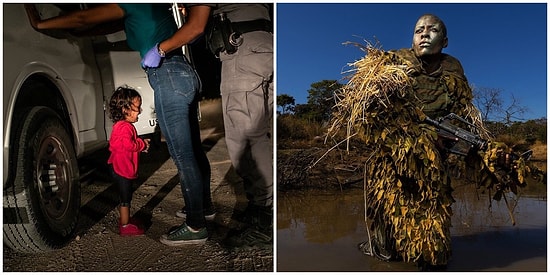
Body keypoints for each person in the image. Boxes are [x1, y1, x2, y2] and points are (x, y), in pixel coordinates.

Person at [27, 3, 215, 245]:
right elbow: (94, 27)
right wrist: (73, 31)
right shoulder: (142, 10)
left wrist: (39, 23)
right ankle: (204, 207)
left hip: (167, 74)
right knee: (193, 151)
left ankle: (195, 224)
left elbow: (84, 18)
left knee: (183, 155)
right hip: (180, 72)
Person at [147, 3, 274, 250]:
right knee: (262, 137)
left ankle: (263, 222)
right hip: (264, 45)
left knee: (245, 142)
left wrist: (160, 49)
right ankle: (263, 208)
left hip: (243, 52)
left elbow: (195, 26)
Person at [107, 86, 150, 236]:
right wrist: (142, 144)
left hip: (118, 167)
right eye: (137, 108)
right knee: (125, 198)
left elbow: (124, 144)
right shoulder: (125, 127)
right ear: (125, 110)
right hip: (121, 169)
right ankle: (125, 226)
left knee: (125, 196)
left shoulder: (121, 126)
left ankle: (126, 220)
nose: (140, 111)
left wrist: (139, 143)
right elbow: (128, 145)